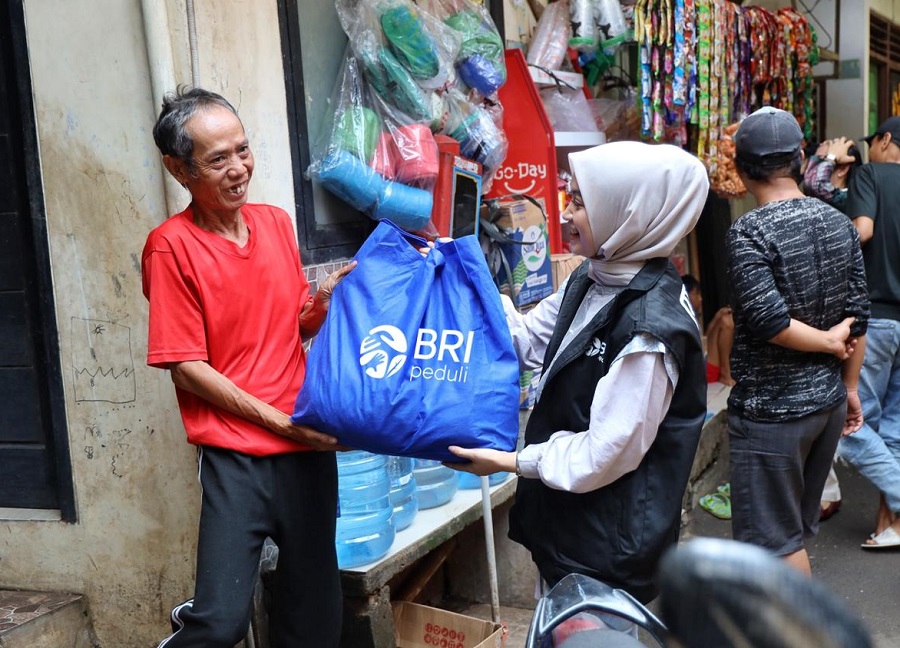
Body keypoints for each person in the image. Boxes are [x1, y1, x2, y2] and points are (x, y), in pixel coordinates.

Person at [447, 141, 709, 604]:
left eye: (582, 204)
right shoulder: (594, 276)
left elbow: (604, 453)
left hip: (607, 549)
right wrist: (463, 271)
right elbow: (526, 339)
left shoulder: (650, 331)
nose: (566, 214)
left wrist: (508, 463)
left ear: (628, 211)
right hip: (571, 526)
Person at [142, 87, 354, 647]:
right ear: (178, 169)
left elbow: (288, 328)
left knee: (314, 619)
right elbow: (186, 367)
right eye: (218, 159)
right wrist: (280, 423)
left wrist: (319, 307)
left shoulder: (277, 223)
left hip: (307, 451)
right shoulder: (171, 247)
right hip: (238, 456)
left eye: (243, 150)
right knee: (220, 622)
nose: (239, 169)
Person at [726, 107, 869, 575]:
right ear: (800, 158)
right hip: (826, 406)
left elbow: (769, 320)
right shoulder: (837, 222)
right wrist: (848, 387)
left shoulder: (749, 230)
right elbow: (859, 318)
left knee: (774, 544)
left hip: (772, 415)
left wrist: (828, 344)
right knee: (794, 534)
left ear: (742, 169)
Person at [837, 115, 900, 548]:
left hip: (876, 320)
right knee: (894, 430)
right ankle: (891, 525)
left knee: (851, 428)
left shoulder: (870, 173)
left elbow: (862, 230)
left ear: (886, 140)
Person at [682, 274, 735, 386]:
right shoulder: (683, 318)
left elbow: (704, 340)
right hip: (702, 373)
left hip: (704, 366)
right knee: (726, 321)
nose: (700, 299)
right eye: (696, 294)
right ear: (686, 295)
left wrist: (717, 317)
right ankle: (726, 373)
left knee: (723, 317)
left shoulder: (690, 316)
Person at [802, 136, 862, 213]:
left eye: (822, 161)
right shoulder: (815, 198)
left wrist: (831, 157)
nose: (814, 168)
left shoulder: (851, 199)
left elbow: (815, 185)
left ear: (842, 169)